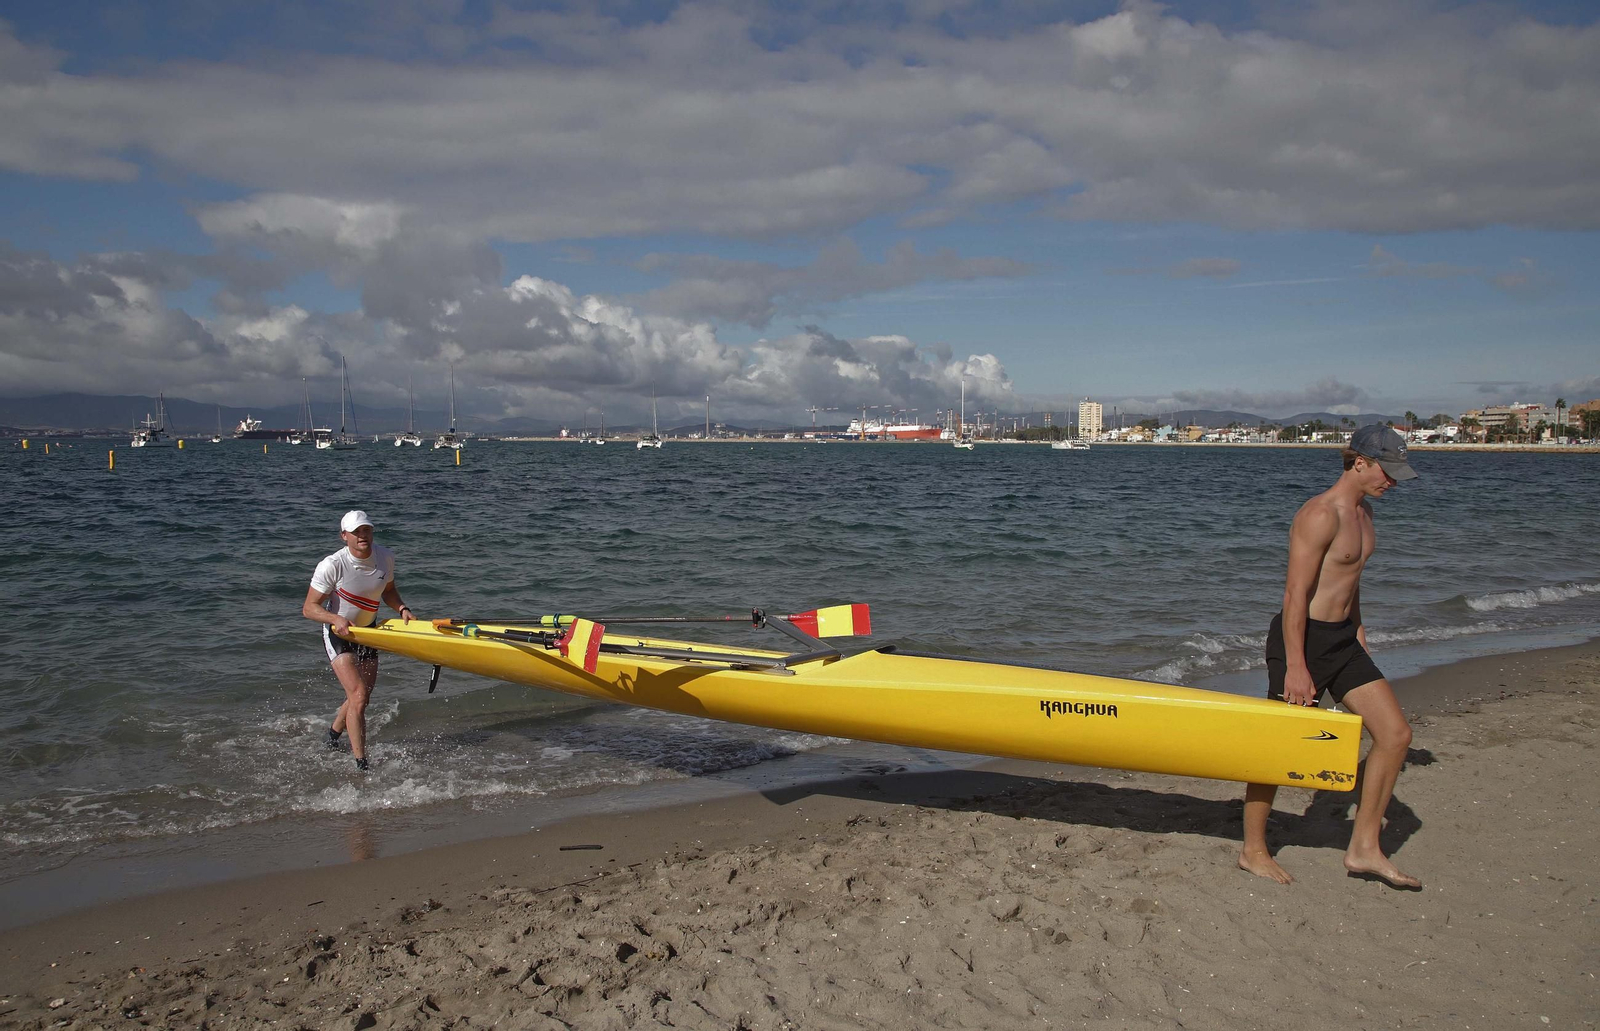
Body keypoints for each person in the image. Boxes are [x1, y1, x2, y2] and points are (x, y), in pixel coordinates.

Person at [1239, 425, 1421, 888]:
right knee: (1277, 750)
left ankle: (1363, 848)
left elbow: (1351, 583)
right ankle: (1253, 850)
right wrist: (1297, 667)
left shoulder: (1366, 515)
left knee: (1395, 735)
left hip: (1342, 640)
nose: (1393, 482)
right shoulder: (1319, 515)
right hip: (1302, 642)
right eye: (1388, 470)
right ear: (1359, 461)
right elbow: (1295, 595)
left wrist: (1359, 636)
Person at [301, 510, 415, 771]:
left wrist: (402, 609)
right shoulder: (332, 565)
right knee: (359, 694)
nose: (362, 536)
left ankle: (331, 737)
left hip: (368, 631)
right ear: (344, 536)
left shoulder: (385, 557)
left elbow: (388, 591)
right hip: (338, 634)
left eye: (366, 530)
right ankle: (361, 764)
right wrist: (333, 618)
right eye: (356, 532)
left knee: (361, 696)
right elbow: (309, 608)